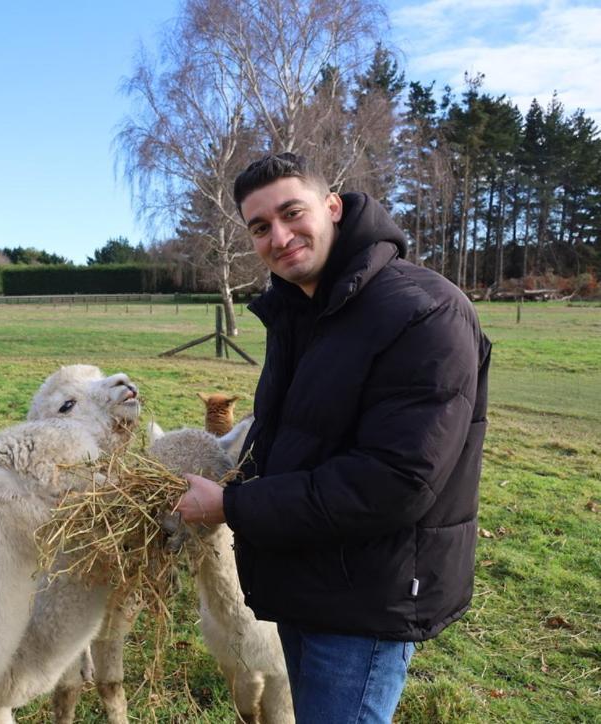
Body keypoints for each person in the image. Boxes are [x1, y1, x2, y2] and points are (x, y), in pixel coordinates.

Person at [176, 153, 491, 723]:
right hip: (305, 576)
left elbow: (396, 481)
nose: (280, 236)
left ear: (332, 206)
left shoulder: (423, 311)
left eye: (292, 212)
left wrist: (231, 504)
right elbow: (290, 439)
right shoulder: (299, 312)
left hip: (366, 596)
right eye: (259, 227)